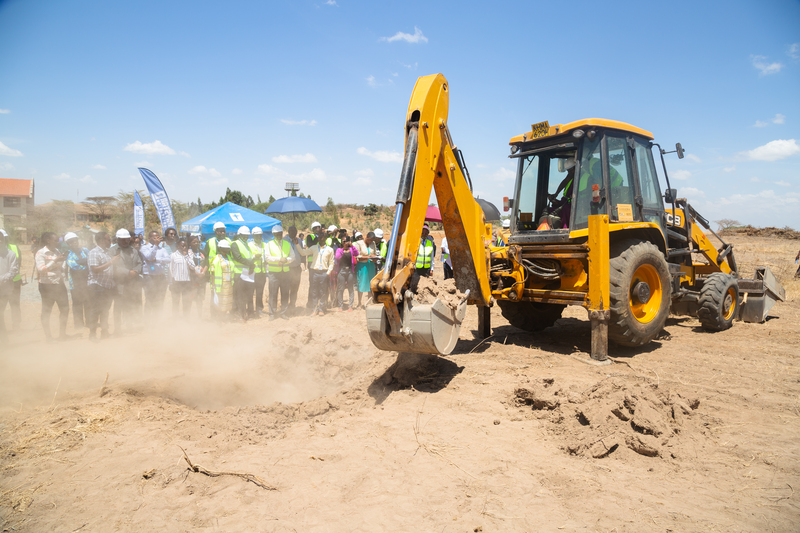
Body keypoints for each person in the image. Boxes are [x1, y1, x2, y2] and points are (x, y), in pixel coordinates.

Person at [34, 232, 69, 342]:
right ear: (48, 241)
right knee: (47, 311)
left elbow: (60, 267)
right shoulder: (40, 253)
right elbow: (41, 269)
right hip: (47, 286)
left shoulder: (57, 251)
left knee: (65, 309)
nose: (57, 242)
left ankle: (62, 334)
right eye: (55, 240)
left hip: (59, 283)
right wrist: (55, 261)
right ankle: (48, 337)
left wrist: (63, 262)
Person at [109, 228, 143, 333]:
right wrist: (128, 272)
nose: (126, 242)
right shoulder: (112, 251)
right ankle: (118, 329)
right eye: (123, 239)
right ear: (118, 239)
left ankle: (129, 326)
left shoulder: (133, 250)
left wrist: (135, 272)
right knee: (118, 306)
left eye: (127, 239)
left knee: (129, 305)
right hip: (119, 283)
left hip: (132, 283)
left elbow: (139, 263)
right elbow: (114, 267)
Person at [87, 231, 118, 340]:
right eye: (108, 240)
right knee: (96, 310)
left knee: (105, 310)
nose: (110, 242)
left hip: (107, 286)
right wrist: (111, 262)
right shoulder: (94, 253)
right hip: (97, 286)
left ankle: (104, 332)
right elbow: (95, 269)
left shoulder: (107, 252)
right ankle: (92, 334)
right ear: (101, 241)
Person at [265, 224, 295, 320]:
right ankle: (272, 313)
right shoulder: (269, 244)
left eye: (280, 234)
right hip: (274, 273)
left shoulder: (287, 244)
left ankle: (283, 312)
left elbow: (293, 256)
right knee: (273, 293)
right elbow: (267, 257)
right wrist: (279, 259)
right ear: (273, 234)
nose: (279, 235)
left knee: (285, 293)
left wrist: (286, 260)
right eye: (277, 234)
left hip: (285, 273)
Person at [140, 230, 168, 318]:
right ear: (149, 238)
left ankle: (157, 319)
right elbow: (149, 257)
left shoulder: (162, 249)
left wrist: (157, 260)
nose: (157, 239)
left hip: (160, 277)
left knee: (160, 298)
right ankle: (148, 320)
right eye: (154, 237)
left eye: (158, 237)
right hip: (149, 277)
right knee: (150, 298)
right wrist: (155, 246)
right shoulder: (144, 248)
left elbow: (168, 259)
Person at [64, 232, 90, 329]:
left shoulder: (85, 250)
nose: (74, 243)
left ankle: (89, 322)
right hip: (75, 284)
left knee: (88, 302)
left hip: (87, 281)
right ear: (68, 243)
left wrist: (82, 262)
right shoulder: (68, 254)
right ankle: (79, 325)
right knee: (77, 304)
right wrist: (85, 262)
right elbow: (75, 266)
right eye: (71, 241)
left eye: (75, 240)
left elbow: (91, 261)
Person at [230, 226, 256, 321]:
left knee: (248, 295)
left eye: (247, 235)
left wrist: (252, 265)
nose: (246, 237)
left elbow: (249, 258)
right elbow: (238, 258)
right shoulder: (235, 244)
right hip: (239, 274)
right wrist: (251, 263)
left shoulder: (247, 245)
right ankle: (240, 315)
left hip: (248, 274)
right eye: (244, 235)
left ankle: (248, 314)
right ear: (239, 235)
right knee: (239, 296)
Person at [0, 229, 22, 329]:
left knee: (15, 304)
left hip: (14, 281)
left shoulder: (13, 248)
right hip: (4, 282)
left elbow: (18, 263)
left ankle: (16, 326)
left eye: (3, 237)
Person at [169, 237, 196, 316]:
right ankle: (175, 318)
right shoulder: (173, 255)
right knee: (176, 301)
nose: (184, 248)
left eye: (185, 246)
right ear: (178, 246)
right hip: (176, 282)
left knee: (186, 301)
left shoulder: (189, 255)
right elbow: (170, 270)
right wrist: (170, 282)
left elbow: (193, 267)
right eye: (182, 246)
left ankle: (186, 318)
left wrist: (187, 257)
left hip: (186, 282)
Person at [353, 231, 377, 309]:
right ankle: (359, 303)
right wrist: (369, 257)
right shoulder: (359, 243)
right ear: (366, 237)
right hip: (362, 266)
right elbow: (357, 256)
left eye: (372, 240)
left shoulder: (373, 244)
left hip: (371, 266)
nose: (370, 242)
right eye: (369, 240)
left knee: (370, 284)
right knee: (361, 283)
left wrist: (375, 258)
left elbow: (375, 254)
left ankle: (368, 302)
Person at [334, 235, 359, 311]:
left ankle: (350, 306)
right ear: (341, 242)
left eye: (346, 241)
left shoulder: (351, 249)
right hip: (341, 271)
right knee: (341, 289)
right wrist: (343, 249)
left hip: (350, 271)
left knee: (350, 289)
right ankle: (340, 306)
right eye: (344, 241)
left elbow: (357, 253)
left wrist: (352, 246)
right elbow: (337, 257)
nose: (345, 243)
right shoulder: (339, 250)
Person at [210, 239, 234, 316]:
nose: (225, 250)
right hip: (220, 284)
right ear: (220, 248)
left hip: (228, 284)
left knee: (226, 301)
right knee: (220, 301)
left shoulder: (229, 257)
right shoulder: (215, 259)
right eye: (224, 248)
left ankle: (223, 316)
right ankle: (219, 318)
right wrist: (213, 285)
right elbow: (212, 273)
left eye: (227, 248)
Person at [411, 224, 436, 292]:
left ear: (428, 234)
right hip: (417, 269)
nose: (424, 234)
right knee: (415, 285)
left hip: (426, 269)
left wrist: (432, 269)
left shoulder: (430, 243)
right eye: (423, 233)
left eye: (426, 233)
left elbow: (432, 258)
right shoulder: (416, 243)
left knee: (426, 286)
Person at [286, 226, 304, 316]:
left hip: (297, 268)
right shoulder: (284, 240)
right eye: (291, 231)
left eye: (295, 231)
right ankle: (285, 307)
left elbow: (301, 252)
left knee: (295, 289)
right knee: (286, 289)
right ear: (288, 231)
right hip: (287, 269)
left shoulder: (299, 241)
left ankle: (292, 306)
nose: (293, 233)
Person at [188, 235, 208, 318]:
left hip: (201, 279)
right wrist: (195, 273)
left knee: (200, 299)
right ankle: (188, 318)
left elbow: (207, 263)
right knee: (190, 298)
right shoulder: (187, 252)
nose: (196, 243)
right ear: (190, 243)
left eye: (197, 242)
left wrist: (203, 273)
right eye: (194, 242)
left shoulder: (202, 252)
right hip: (191, 280)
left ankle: (200, 317)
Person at [249, 227, 267, 315]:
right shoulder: (249, 245)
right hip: (253, 272)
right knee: (251, 292)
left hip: (262, 272)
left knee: (260, 292)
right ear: (253, 236)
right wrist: (254, 256)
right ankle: (251, 310)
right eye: (257, 236)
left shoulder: (264, 245)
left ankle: (259, 309)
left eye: (260, 236)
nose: (259, 238)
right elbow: (247, 257)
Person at [305, 222, 322, 308]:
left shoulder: (322, 236)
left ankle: (319, 303)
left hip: (320, 262)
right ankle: (310, 303)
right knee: (312, 284)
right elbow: (310, 245)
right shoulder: (309, 237)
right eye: (316, 228)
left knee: (320, 283)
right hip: (312, 263)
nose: (317, 229)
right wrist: (317, 237)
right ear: (313, 229)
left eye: (319, 227)